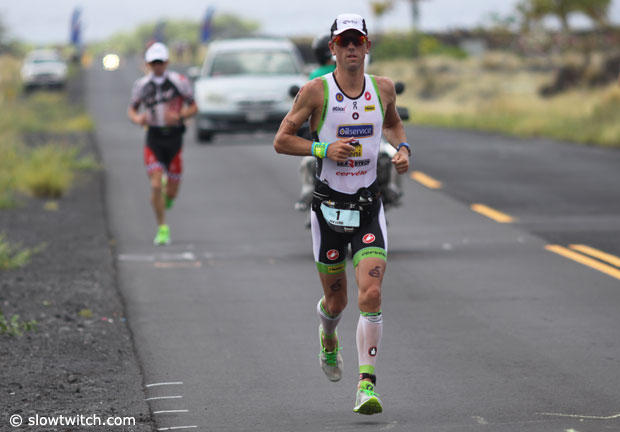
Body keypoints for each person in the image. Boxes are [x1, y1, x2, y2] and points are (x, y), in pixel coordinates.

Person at [273, 13, 411, 415]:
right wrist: (322, 149)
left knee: (372, 293)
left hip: (368, 207)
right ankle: (328, 337)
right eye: (344, 42)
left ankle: (366, 385)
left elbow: (394, 125)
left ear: (367, 46)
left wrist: (403, 149)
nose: (351, 48)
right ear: (333, 48)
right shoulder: (315, 92)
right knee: (337, 302)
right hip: (329, 209)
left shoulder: (382, 88)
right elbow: (281, 140)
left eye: (357, 41)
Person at [127, 42, 197, 245]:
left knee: (171, 193)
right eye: (153, 63)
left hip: (174, 139)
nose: (157, 66)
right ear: (148, 64)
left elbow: (194, 107)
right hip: (154, 138)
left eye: (160, 62)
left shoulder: (179, 82)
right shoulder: (141, 85)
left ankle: (167, 196)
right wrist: (138, 119)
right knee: (155, 184)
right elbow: (132, 109)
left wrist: (180, 115)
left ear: (167, 62)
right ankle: (162, 228)